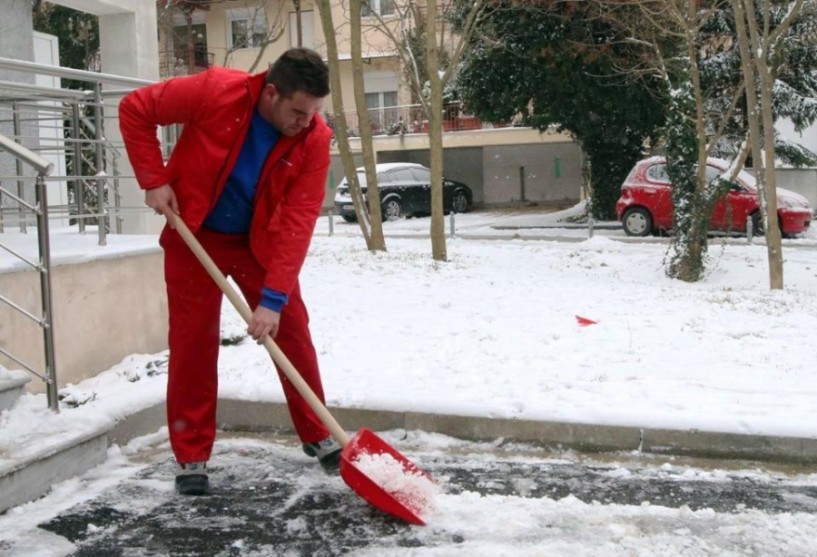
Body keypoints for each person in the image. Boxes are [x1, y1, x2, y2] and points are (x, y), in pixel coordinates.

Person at [119, 47, 340, 496]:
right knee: (193, 341)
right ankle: (191, 454)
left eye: (313, 113)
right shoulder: (215, 91)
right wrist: (153, 178)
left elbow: (299, 218)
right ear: (272, 92)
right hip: (195, 234)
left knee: (292, 329)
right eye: (298, 112)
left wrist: (273, 299)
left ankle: (319, 432)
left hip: (259, 242)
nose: (306, 121)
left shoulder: (314, 137)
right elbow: (135, 109)